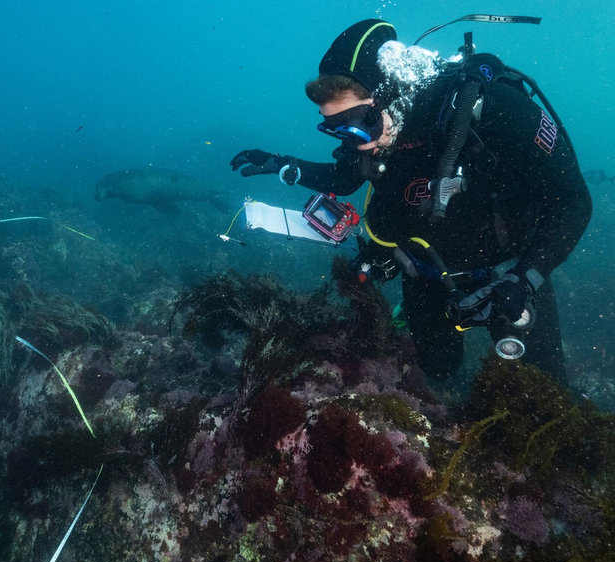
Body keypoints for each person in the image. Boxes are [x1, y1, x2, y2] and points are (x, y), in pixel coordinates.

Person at [229, 19, 592, 386]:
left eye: (357, 125)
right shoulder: (371, 137)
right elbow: (345, 177)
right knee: (438, 371)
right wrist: (282, 165)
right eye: (335, 129)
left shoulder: (495, 109)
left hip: (508, 272)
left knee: (545, 391)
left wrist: (524, 279)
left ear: (391, 95)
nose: (356, 144)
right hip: (427, 275)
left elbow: (574, 201)